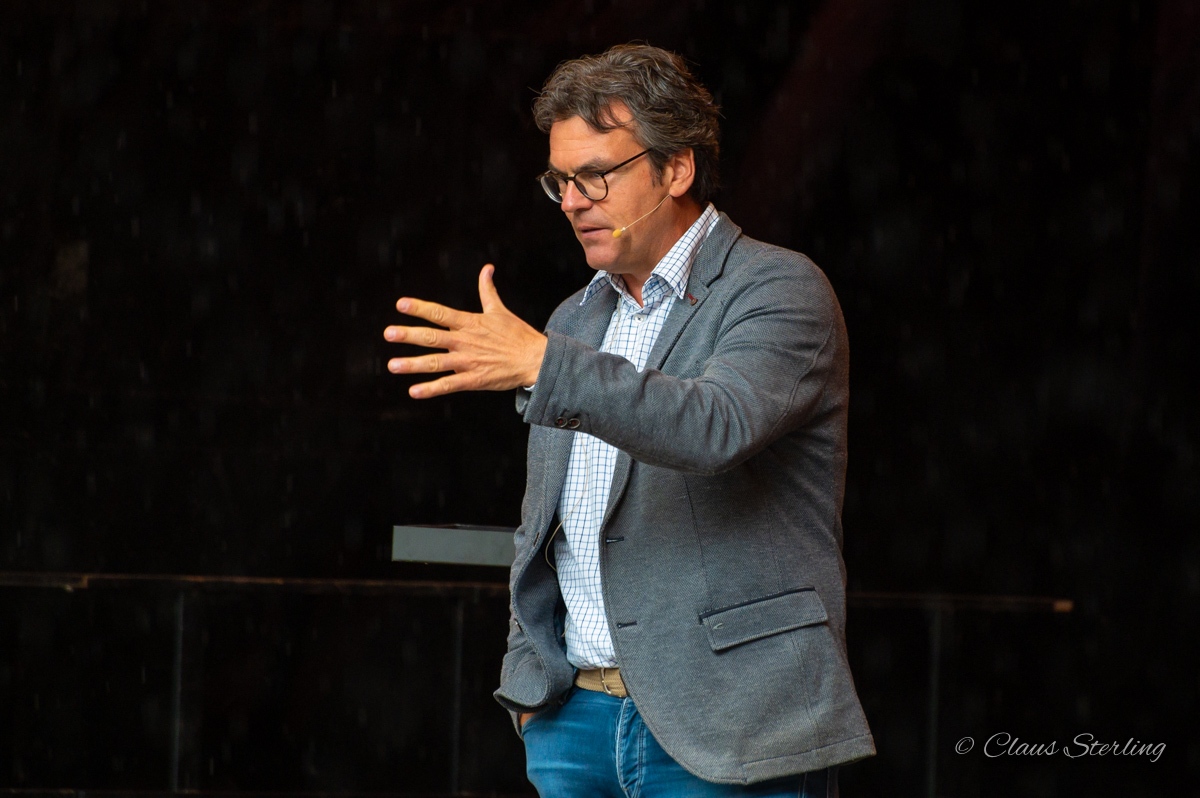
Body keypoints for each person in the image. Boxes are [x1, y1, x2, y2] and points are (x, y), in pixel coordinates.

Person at [384, 44, 874, 797]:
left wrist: (544, 364)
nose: (572, 201)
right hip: (573, 726)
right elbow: (543, 524)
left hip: (733, 727)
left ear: (676, 169)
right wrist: (532, 683)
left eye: (595, 176)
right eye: (559, 181)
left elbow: (713, 426)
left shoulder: (779, 288)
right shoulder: (573, 321)